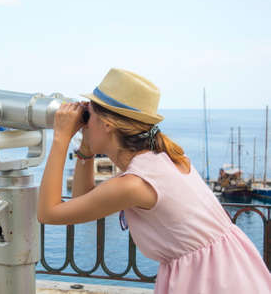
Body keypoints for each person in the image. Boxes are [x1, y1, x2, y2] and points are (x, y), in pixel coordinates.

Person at [37, 68, 271, 293]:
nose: (84, 122)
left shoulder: (135, 184)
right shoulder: (160, 160)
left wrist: (61, 137)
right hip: (231, 270)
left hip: (211, 280)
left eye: (89, 116)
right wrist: (85, 149)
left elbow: (48, 213)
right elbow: (83, 201)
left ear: (107, 124)